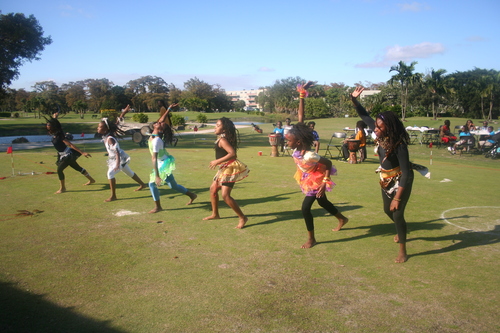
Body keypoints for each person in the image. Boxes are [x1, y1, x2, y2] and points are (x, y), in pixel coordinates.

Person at [351, 86, 413, 263]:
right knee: (388, 211)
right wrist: (354, 100)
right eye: (375, 126)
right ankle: (400, 229)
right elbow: (364, 116)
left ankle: (403, 249)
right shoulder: (380, 134)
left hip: (401, 180)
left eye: (379, 126)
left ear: (389, 127)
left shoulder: (400, 145)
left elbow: (407, 173)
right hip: (385, 178)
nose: (375, 129)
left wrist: (397, 198)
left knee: (397, 212)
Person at [287, 81, 349, 249]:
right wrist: (302, 95)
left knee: (305, 208)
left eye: (289, 140)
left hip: (317, 177)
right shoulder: (298, 143)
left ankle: (311, 239)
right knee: (322, 202)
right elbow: (301, 118)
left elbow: (328, 163)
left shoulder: (309, 154)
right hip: (307, 174)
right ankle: (342, 218)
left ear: (298, 141)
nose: (287, 142)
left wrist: (324, 182)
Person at [148, 103, 197, 213]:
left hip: (163, 163)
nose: (159, 122)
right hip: (164, 161)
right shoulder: (154, 134)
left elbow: (154, 159)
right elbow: (162, 118)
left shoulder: (156, 141)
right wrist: (169, 108)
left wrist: (156, 176)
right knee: (173, 185)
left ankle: (158, 207)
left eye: (160, 123)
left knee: (151, 184)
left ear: (160, 129)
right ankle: (192, 195)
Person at [203, 117, 250, 229]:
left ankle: (242, 217)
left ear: (224, 130)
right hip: (223, 168)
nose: (215, 127)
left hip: (230, 169)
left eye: (218, 125)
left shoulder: (223, 140)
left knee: (225, 195)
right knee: (213, 190)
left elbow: (232, 154)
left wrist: (216, 161)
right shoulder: (221, 139)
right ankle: (215, 214)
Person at [96, 105, 146, 202]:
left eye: (99, 127)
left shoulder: (110, 139)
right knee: (129, 172)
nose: (97, 128)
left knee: (110, 174)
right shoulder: (107, 135)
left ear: (105, 129)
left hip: (119, 159)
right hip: (114, 158)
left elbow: (117, 152)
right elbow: (118, 121)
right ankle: (142, 184)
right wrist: (125, 112)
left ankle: (113, 196)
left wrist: (117, 164)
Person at [45, 116, 95, 194]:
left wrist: (82, 152)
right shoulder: (55, 133)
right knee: (77, 168)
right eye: (47, 124)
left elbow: (70, 145)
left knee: (59, 170)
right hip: (62, 155)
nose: (47, 126)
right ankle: (91, 180)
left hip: (68, 155)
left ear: (53, 126)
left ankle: (63, 188)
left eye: (48, 125)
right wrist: (55, 117)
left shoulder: (60, 135)